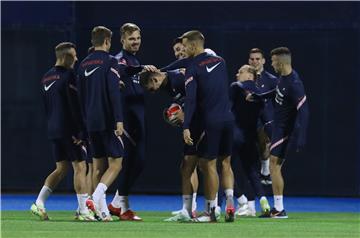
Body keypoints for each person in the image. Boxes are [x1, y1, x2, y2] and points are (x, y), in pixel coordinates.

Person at [31, 42, 95, 221]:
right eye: (73, 55)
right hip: (69, 130)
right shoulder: (69, 76)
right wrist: (81, 132)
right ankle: (83, 211)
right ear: (65, 57)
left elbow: (47, 107)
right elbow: (74, 107)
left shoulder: (46, 77)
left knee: (61, 168)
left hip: (53, 129)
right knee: (81, 166)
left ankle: (39, 202)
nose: (76, 58)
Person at [181, 30, 235, 222]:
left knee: (207, 164)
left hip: (211, 121)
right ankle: (229, 202)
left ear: (194, 46)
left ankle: (211, 212)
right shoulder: (221, 61)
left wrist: (186, 125)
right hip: (228, 119)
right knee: (226, 163)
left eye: (185, 46)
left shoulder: (192, 67)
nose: (183, 50)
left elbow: (191, 100)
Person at [108, 23, 157, 221]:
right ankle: (111, 204)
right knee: (130, 163)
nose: (135, 41)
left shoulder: (135, 60)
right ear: (122, 40)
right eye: (131, 39)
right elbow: (123, 71)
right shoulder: (120, 60)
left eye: (137, 38)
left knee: (137, 163)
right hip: (126, 120)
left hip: (138, 119)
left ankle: (119, 205)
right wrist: (140, 68)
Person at [139, 68, 201, 221]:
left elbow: (197, 98)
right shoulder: (167, 85)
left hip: (202, 124)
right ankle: (188, 210)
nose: (152, 92)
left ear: (154, 79)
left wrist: (185, 115)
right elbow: (183, 101)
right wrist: (177, 116)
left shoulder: (179, 78)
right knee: (187, 167)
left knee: (207, 166)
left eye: (151, 88)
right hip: (192, 125)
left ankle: (213, 207)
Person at [77, 26, 124, 221]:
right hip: (107, 118)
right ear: (106, 41)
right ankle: (95, 198)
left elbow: (80, 96)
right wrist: (118, 120)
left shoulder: (83, 64)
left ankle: (102, 212)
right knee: (117, 163)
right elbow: (113, 93)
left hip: (90, 121)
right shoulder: (111, 61)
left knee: (97, 167)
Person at [262, 47, 309, 218]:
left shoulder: (295, 83)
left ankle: (280, 209)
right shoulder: (283, 78)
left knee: (274, 165)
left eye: (273, 61)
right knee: (274, 165)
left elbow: (304, 110)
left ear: (280, 62)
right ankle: (278, 208)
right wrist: (260, 96)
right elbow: (277, 92)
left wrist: (301, 136)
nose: (272, 63)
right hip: (278, 127)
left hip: (285, 130)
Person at [229, 65, 271, 217]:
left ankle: (224, 206)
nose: (237, 74)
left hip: (235, 135)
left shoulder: (237, 87)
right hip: (250, 137)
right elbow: (266, 119)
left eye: (240, 72)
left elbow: (234, 90)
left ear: (249, 76)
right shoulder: (261, 93)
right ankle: (264, 203)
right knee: (252, 172)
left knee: (224, 169)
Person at [248, 48, 278, 185]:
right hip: (248, 119)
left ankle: (265, 172)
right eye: (252, 59)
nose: (255, 62)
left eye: (257, 59)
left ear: (263, 61)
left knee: (266, 145)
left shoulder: (272, 80)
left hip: (266, 119)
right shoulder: (243, 77)